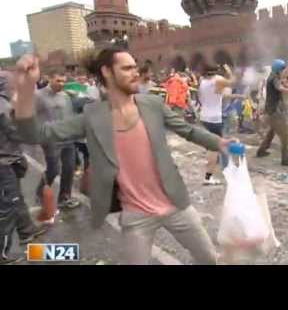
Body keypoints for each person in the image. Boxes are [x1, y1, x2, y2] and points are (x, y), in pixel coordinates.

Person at [14, 50, 235, 265]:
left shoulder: (152, 105)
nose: (136, 73)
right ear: (107, 72)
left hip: (176, 205)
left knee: (210, 260)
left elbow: (189, 131)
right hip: (136, 216)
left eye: (135, 68)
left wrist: (219, 143)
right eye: (127, 68)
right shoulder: (93, 117)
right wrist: (25, 89)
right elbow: (34, 134)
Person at [0, 70, 46, 265]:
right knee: (8, 206)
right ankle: (2, 253)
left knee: (16, 199)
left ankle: (26, 230)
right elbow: (16, 132)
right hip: (3, 163)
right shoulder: (3, 106)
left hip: (9, 159)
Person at [34, 68, 80, 211]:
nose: (61, 84)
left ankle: (64, 198)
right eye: (58, 80)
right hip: (50, 139)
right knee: (53, 170)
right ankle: (40, 191)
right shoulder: (38, 96)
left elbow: (70, 115)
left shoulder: (65, 96)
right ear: (49, 79)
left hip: (67, 138)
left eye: (63, 81)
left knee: (69, 169)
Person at [256, 59, 288, 167]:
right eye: (283, 69)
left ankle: (261, 151)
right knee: (285, 134)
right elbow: (279, 88)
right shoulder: (274, 78)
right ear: (278, 70)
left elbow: (281, 84)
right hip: (274, 110)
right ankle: (286, 159)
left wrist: (287, 81)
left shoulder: (273, 77)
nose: (285, 71)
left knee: (272, 132)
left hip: (272, 109)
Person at [198, 63, 236, 185]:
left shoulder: (202, 81)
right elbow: (232, 82)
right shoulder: (218, 80)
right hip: (214, 118)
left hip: (204, 116)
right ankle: (209, 177)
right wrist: (229, 72)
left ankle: (218, 168)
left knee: (212, 146)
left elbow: (200, 97)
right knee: (215, 147)